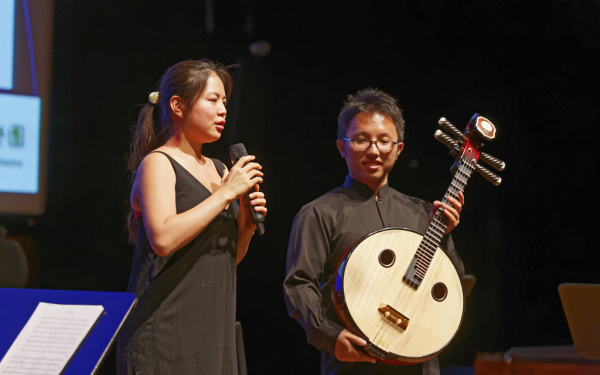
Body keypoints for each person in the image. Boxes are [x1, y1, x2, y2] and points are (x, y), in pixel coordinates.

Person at [283, 88, 465, 375]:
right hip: (354, 364)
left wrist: (445, 235)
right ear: (342, 147)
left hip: (420, 363)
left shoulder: (422, 213)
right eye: (360, 140)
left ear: (398, 148)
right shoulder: (319, 213)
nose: (374, 150)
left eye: (384, 141)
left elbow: (452, 288)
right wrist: (331, 337)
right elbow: (299, 285)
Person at [117, 59, 267, 375]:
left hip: (212, 329)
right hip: (164, 332)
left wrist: (247, 226)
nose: (223, 110)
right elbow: (163, 239)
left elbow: (226, 258)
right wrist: (225, 195)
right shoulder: (158, 163)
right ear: (178, 105)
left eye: (225, 102)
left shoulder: (220, 170)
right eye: (213, 100)